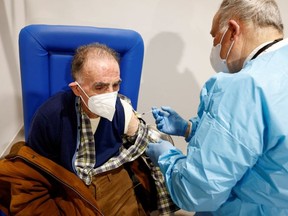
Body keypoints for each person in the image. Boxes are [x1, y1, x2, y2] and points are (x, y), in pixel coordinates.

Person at [0, 43, 179, 215]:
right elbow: (34, 173)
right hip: (70, 184)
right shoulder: (51, 117)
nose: (111, 94)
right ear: (77, 90)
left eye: (115, 85)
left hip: (113, 178)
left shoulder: (122, 110)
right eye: (100, 87)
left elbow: (143, 138)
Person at [146, 0, 288, 215]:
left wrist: (168, 158)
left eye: (214, 37)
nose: (215, 46)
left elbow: (198, 192)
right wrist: (190, 129)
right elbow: (265, 142)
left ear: (232, 31)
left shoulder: (245, 86)